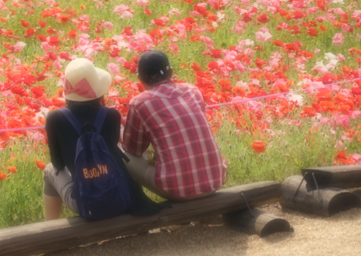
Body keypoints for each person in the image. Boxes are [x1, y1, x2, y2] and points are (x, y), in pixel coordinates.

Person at [43, 58, 164, 220]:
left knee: (50, 169)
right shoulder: (111, 115)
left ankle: (51, 230)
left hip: (86, 202)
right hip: (118, 193)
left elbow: (58, 164)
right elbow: (111, 153)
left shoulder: (55, 118)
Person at [122, 50, 227, 201]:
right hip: (214, 182)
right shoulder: (192, 90)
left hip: (178, 190)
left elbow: (133, 150)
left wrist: (120, 135)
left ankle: (135, 204)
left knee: (122, 154)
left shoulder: (140, 102)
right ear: (170, 72)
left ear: (139, 78)